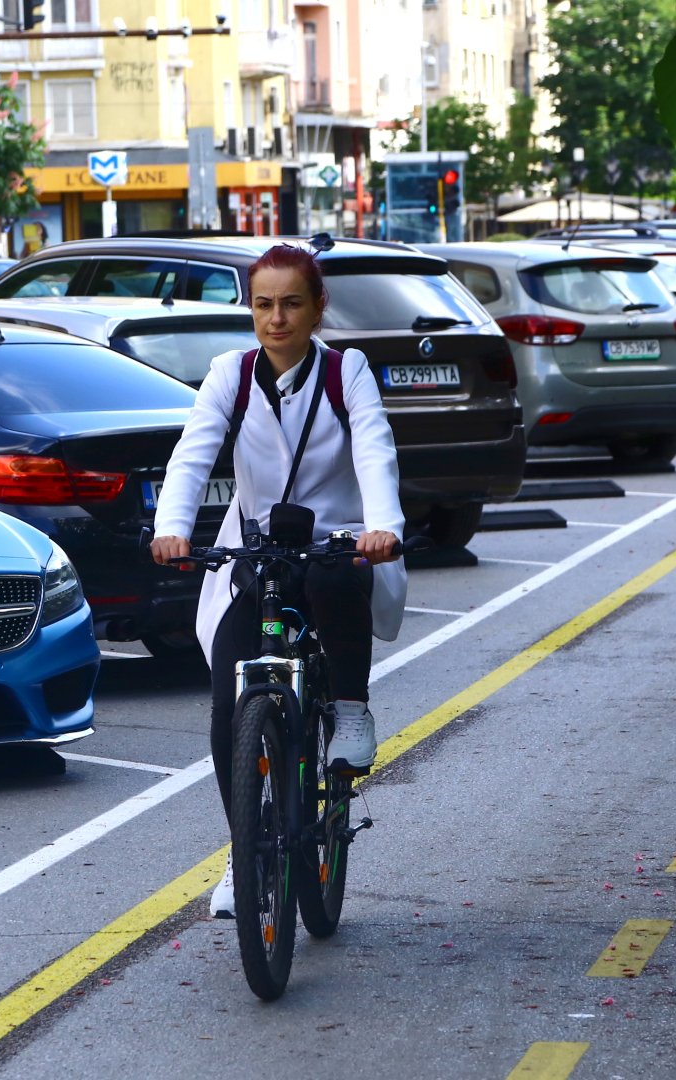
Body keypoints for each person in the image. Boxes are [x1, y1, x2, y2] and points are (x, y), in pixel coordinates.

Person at [149, 243, 405, 919]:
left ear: (318, 307)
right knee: (229, 697)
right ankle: (244, 854)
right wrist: (172, 527)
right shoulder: (228, 376)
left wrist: (382, 526)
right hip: (258, 551)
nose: (277, 318)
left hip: (338, 543)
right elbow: (193, 454)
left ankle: (348, 709)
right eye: (263, 304)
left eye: (292, 303)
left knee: (335, 583)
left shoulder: (346, 373)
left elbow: (374, 448)